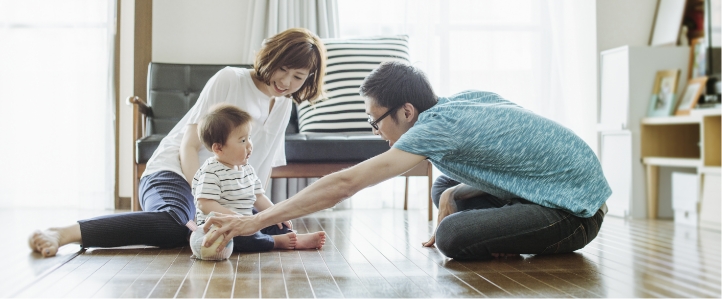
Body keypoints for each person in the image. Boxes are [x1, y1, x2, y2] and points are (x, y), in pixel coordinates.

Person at [201, 61, 611, 260]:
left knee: (452, 238)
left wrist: (253, 221)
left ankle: (512, 231)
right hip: (558, 188)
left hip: (575, 214)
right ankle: (499, 224)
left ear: (407, 112)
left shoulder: (431, 130)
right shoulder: (460, 103)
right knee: (444, 188)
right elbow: (510, 161)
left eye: (375, 121)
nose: (375, 131)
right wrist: (453, 197)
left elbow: (346, 183)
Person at [28, 28, 326, 257]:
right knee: (175, 222)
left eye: (297, 76)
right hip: (174, 173)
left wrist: (265, 216)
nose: (286, 82)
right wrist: (202, 199)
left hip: (218, 191)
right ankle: (66, 233)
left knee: (264, 225)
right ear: (270, 57)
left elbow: (259, 170)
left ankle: (203, 229)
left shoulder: (284, 105)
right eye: (282, 69)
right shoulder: (231, 80)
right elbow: (188, 144)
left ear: (308, 79)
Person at [193, 104, 325, 251]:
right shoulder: (211, 171)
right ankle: (275, 242)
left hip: (246, 220)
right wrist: (234, 217)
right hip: (220, 228)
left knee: (271, 219)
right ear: (218, 148)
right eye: (242, 140)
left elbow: (259, 197)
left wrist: (276, 214)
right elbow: (204, 204)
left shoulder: (247, 169)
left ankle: (293, 237)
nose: (249, 145)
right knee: (242, 238)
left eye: (249, 138)